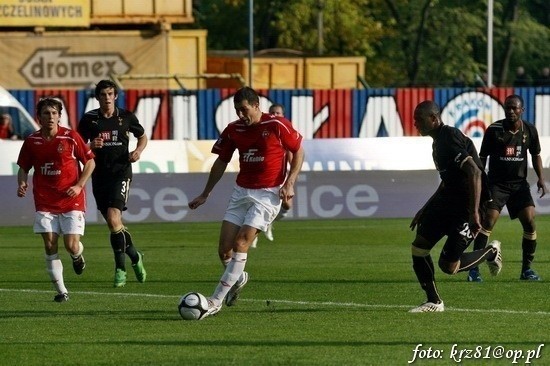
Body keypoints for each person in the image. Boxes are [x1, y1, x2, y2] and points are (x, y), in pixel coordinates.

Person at [188, 87, 304, 318]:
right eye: (237, 110)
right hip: (241, 192)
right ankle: (238, 277)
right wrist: (206, 193)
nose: (241, 115)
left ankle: (215, 301)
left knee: (242, 243)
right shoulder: (233, 130)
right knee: (224, 251)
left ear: (256, 105)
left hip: (268, 194)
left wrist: (289, 183)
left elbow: (299, 150)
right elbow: (221, 162)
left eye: (244, 110)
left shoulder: (276, 125)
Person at [408, 100, 502, 313]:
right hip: (447, 202)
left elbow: (475, 172)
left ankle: (489, 252)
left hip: (467, 208)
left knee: (449, 266)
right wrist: (425, 208)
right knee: (419, 248)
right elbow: (448, 180)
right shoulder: (437, 142)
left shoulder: (448, 137)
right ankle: (434, 302)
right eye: (414, 120)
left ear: (433, 118)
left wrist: (474, 213)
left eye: (419, 120)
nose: (416, 124)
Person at [16, 97, 95, 302]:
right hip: (44, 201)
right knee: (50, 245)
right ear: (39, 117)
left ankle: (77, 255)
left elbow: (89, 162)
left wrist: (79, 186)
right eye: (46, 113)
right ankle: (62, 292)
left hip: (70, 200)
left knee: (71, 245)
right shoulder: (32, 141)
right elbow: (24, 167)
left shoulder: (70, 137)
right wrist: (22, 183)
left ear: (59, 116)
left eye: (54, 113)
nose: (50, 117)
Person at [467, 95, 546, 282]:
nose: (511, 111)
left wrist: (541, 178)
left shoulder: (530, 130)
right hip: (497, 185)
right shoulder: (494, 130)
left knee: (530, 222)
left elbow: (536, 154)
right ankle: (473, 270)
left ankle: (526, 270)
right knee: (487, 222)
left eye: (514, 108)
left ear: (522, 110)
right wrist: (481, 179)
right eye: (508, 108)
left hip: (519, 185)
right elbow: (482, 156)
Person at [77, 79, 148, 288]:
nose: (107, 98)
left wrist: (138, 151)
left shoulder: (126, 117)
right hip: (99, 175)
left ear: (115, 96)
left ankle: (120, 269)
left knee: (113, 216)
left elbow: (142, 136)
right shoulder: (89, 119)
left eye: (110, 94)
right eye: (103, 95)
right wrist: (90, 145)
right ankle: (135, 256)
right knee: (113, 224)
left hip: (121, 173)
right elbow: (78, 146)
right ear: (98, 97)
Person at [251, 102, 294, 248]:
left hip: (280, 176)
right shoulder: (263, 131)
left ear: (283, 116)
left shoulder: (285, 131)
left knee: (287, 205)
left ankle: (268, 223)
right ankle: (253, 234)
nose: (275, 116)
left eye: (278, 113)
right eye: (272, 113)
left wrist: (291, 179)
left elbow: (292, 155)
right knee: (256, 205)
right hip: (262, 176)